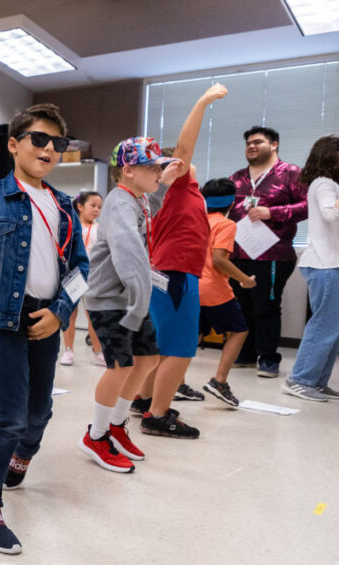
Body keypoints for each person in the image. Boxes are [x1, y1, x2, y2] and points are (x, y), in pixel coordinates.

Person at [0, 103, 88, 553]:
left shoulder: (65, 206)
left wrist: (61, 312)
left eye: (58, 144)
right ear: (13, 144)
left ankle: (21, 456)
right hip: (0, 318)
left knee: (40, 411)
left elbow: (81, 268)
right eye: (38, 140)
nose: (48, 149)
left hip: (45, 319)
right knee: (10, 414)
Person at [80, 133, 170, 471]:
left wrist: (169, 173)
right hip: (110, 300)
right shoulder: (119, 202)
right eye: (152, 168)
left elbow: (157, 200)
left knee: (148, 359)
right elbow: (128, 252)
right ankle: (96, 435)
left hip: (129, 297)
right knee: (121, 366)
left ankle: (116, 425)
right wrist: (139, 298)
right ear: (129, 170)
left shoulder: (140, 199)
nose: (158, 174)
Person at [142, 84, 227, 440]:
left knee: (164, 344)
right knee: (180, 347)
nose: (180, 161)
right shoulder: (175, 184)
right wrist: (203, 101)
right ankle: (157, 415)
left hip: (172, 271)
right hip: (175, 273)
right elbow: (186, 146)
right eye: (170, 160)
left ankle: (145, 399)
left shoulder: (183, 191)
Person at [228, 126, 308, 378]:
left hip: (273, 253)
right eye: (248, 143)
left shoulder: (291, 173)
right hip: (238, 252)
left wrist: (273, 212)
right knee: (242, 305)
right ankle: (247, 353)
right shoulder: (237, 177)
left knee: (266, 306)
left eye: (258, 142)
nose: (251, 146)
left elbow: (307, 206)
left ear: (274, 144)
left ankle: (268, 357)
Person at [282, 135, 339, 402]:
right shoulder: (325, 183)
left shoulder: (327, 184)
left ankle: (316, 381)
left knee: (333, 327)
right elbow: (330, 213)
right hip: (324, 265)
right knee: (324, 326)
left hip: (329, 264)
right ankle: (300, 379)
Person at [198, 178, 256, 406]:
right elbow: (219, 258)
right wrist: (244, 280)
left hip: (191, 286)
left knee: (194, 332)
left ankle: (178, 383)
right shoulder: (226, 224)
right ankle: (219, 381)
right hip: (214, 288)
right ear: (232, 203)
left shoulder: (196, 220)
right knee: (239, 330)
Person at [59, 191, 104, 367]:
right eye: (92, 205)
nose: (96, 210)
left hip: (94, 276)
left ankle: (97, 351)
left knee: (93, 314)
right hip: (73, 275)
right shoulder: (71, 227)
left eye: (100, 207)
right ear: (80, 206)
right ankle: (68, 350)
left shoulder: (100, 229)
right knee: (70, 313)